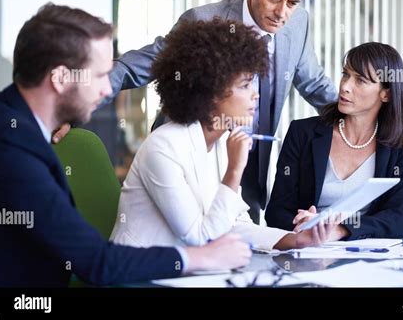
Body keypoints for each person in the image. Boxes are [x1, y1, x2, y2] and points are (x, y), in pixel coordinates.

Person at [53, 0, 338, 224]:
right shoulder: (204, 20)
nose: (283, 13)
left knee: (244, 239)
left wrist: (363, 119)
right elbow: (134, 67)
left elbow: (313, 83)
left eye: (293, 2)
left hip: (247, 161)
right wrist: (71, 107)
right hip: (186, 157)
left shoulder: (298, 22)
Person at [0, 4, 251, 287]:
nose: (108, 89)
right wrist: (200, 258)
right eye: (99, 75)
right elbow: (96, 262)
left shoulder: (16, 124)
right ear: (59, 78)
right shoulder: (12, 150)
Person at [110, 19, 336, 251]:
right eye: (245, 85)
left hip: (188, 270)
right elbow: (199, 236)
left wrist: (297, 239)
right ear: (211, 92)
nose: (256, 95)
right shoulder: (164, 147)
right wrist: (235, 170)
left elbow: (234, 224)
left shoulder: (221, 143)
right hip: (139, 273)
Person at [265, 42, 403, 240]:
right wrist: (309, 226)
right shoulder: (303, 133)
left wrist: (340, 229)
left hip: (368, 259)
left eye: (360, 80)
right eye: (345, 74)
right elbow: (276, 212)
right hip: (308, 250)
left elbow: (401, 219)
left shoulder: (402, 144)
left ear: (386, 93)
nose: (345, 86)